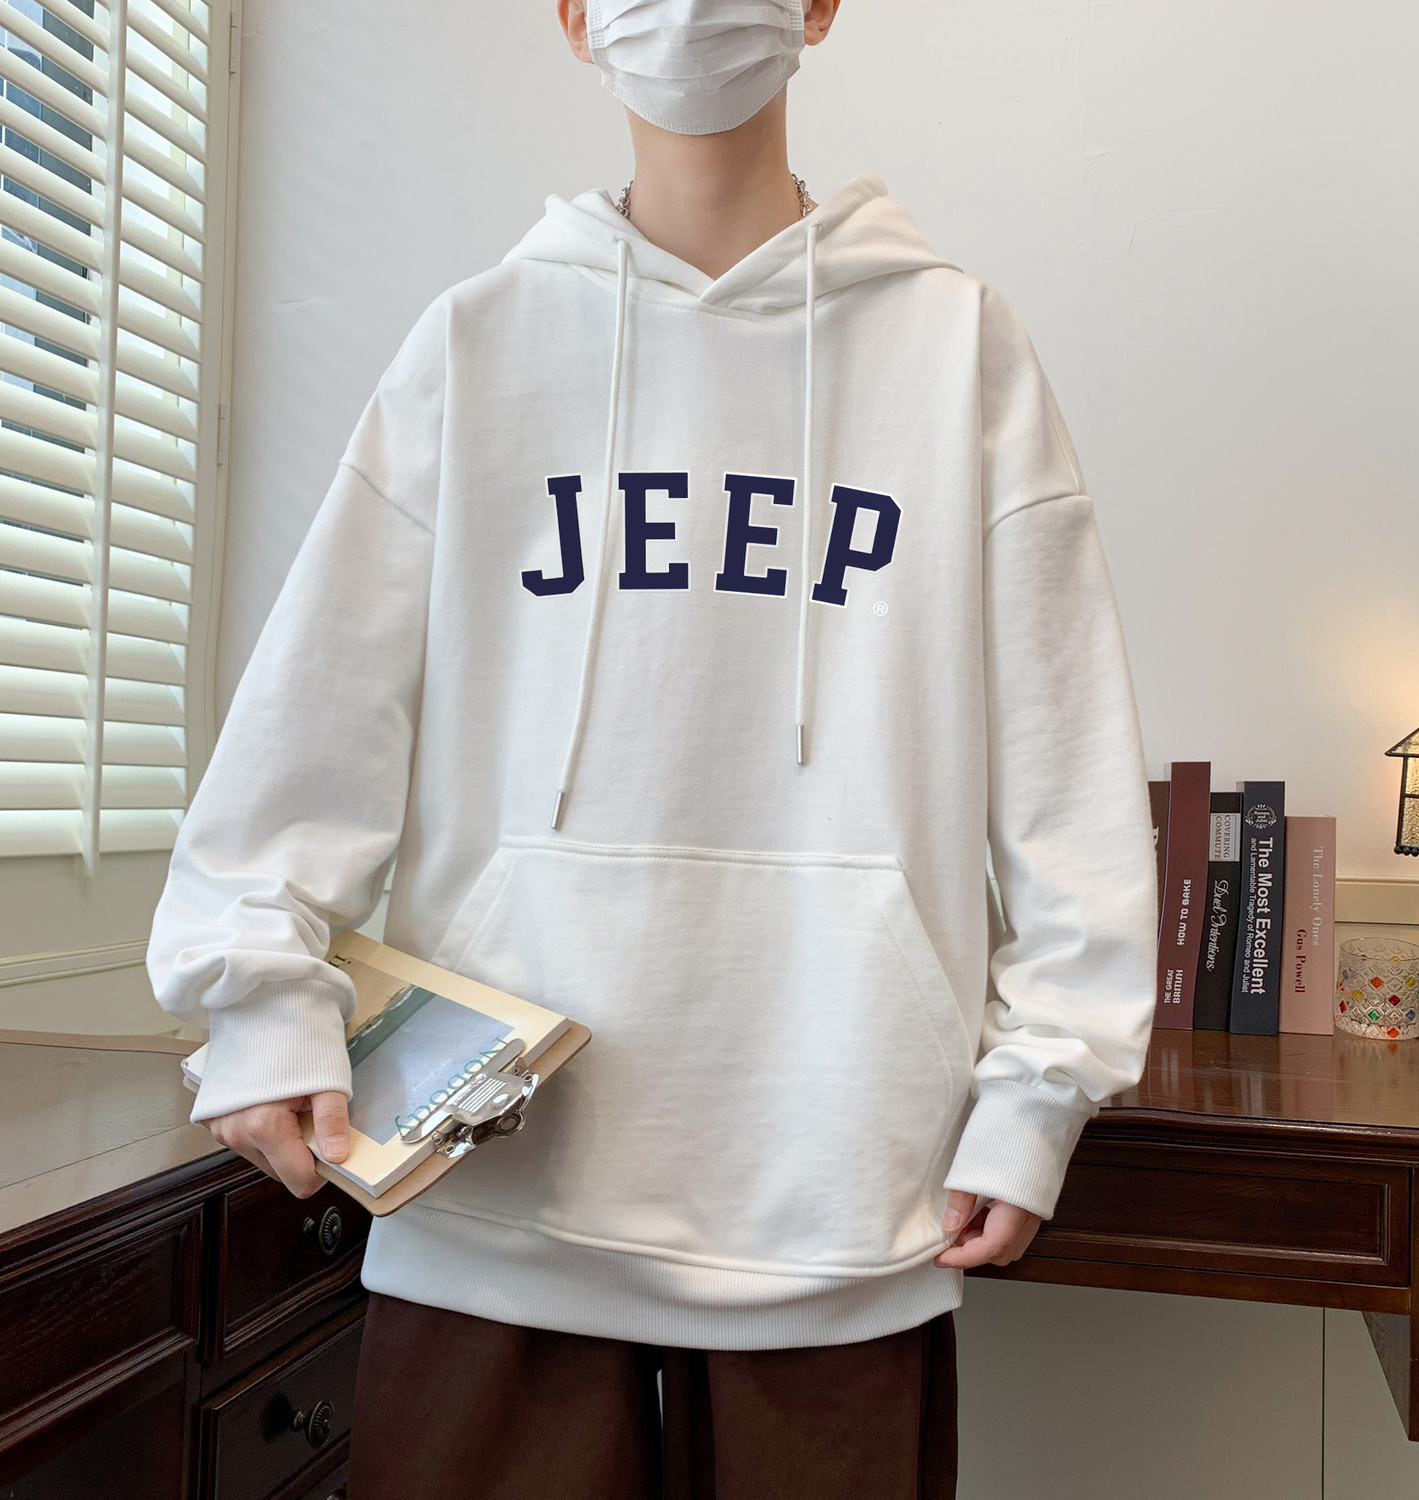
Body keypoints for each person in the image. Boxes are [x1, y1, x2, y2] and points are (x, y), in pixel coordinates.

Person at [147, 1, 1159, 1495]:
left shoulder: (959, 349)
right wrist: (257, 999)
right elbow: (318, 708)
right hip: (494, 1183)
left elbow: (1066, 756)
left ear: (820, 6)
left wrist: (1041, 1092)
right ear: (573, 16)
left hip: (841, 1179)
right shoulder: (479, 341)